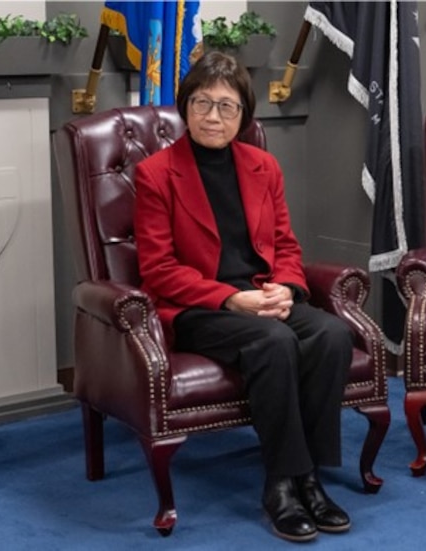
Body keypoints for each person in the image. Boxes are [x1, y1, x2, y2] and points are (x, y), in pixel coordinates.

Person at [134, 51, 353, 543]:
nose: (213, 116)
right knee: (272, 342)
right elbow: (158, 270)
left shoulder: (263, 167)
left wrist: (288, 289)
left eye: (226, 106)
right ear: (184, 107)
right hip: (198, 308)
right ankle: (281, 484)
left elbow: (286, 244)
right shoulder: (155, 174)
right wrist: (230, 300)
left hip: (263, 298)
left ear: (243, 115)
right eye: (202, 103)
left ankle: (310, 477)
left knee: (333, 334)